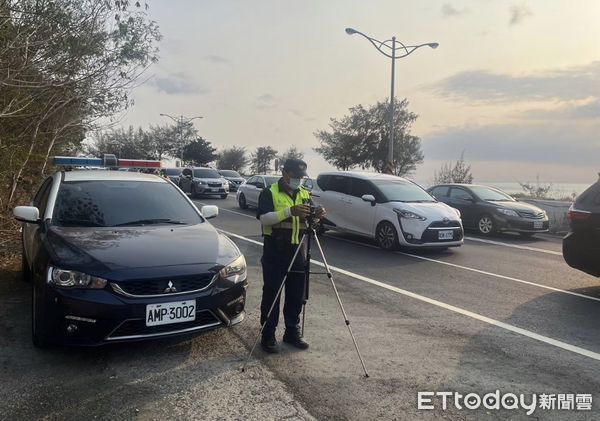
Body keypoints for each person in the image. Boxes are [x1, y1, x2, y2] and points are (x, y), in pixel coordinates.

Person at [256, 158, 325, 353]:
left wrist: (317, 214)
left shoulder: (304, 193)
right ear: (285, 173)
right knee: (272, 294)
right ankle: (268, 334)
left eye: (301, 177)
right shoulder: (269, 192)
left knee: (296, 295)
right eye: (296, 176)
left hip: (298, 251)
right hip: (275, 252)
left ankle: (292, 332)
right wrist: (290, 211)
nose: (299, 180)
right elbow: (264, 218)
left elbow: (311, 220)